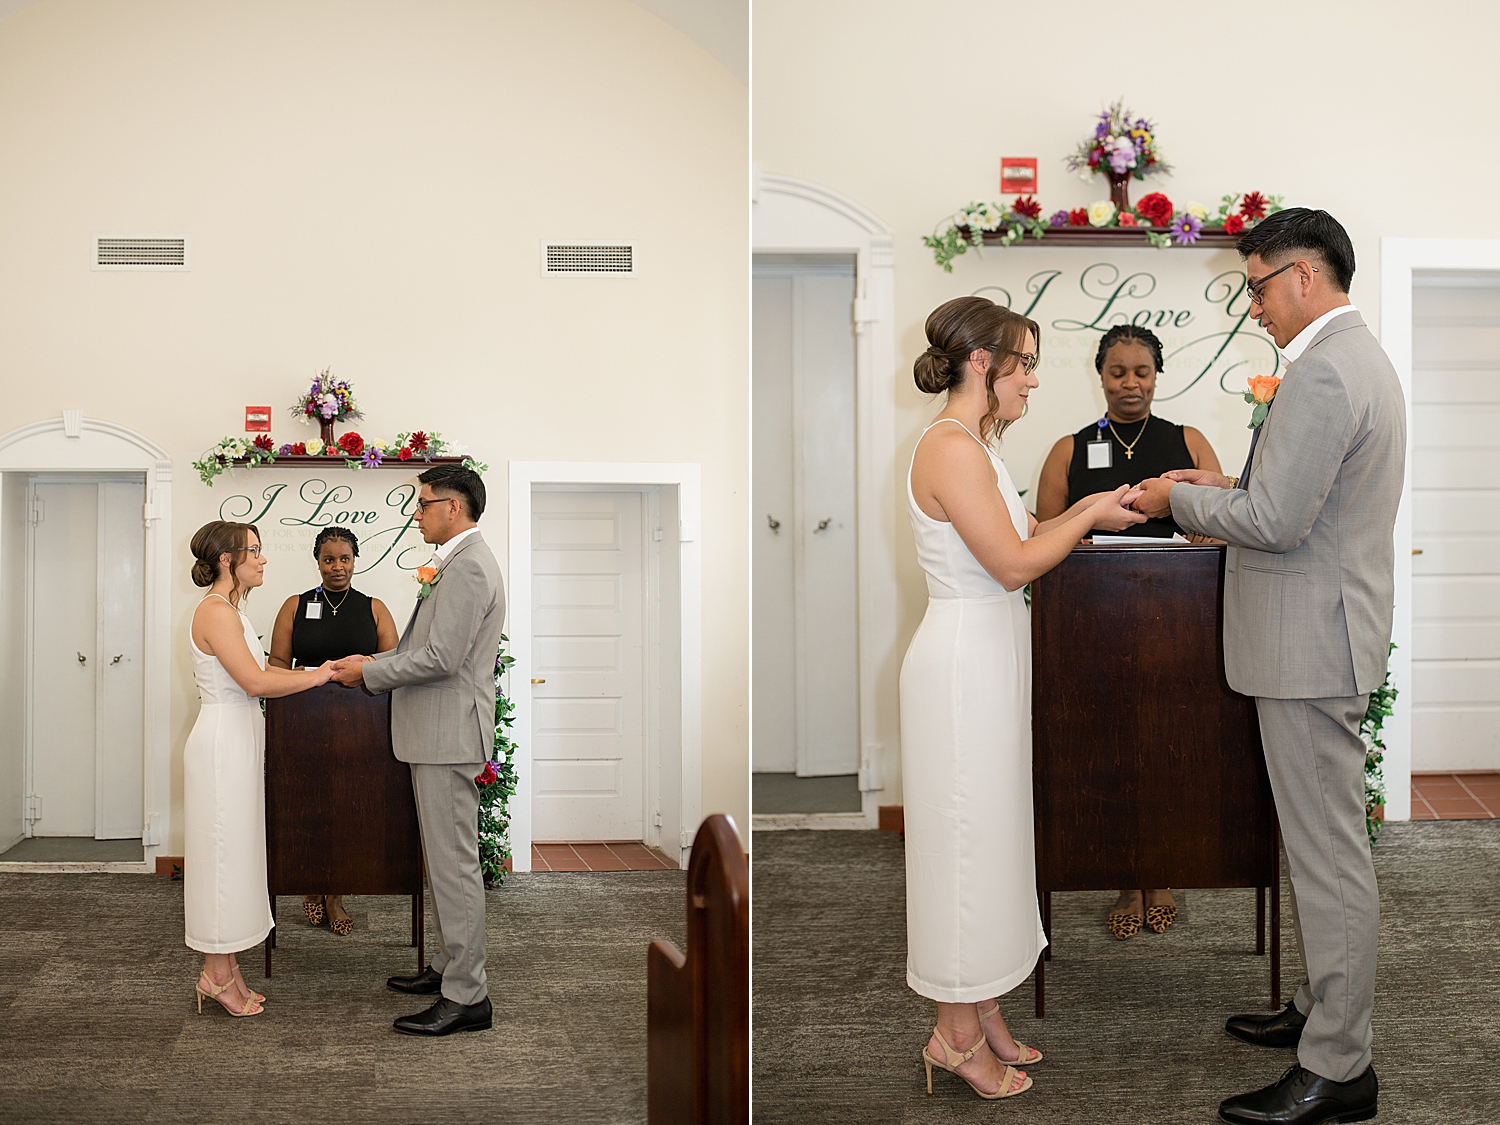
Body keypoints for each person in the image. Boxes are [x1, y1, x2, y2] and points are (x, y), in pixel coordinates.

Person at [1130, 209, 1402, 1125]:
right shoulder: (1351, 358)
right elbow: (1296, 506)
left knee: (1328, 855)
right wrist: (1221, 492)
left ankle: (1339, 1066)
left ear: (1303, 276)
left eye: (1255, 287)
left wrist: (1179, 500)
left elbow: (1281, 525)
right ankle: (1326, 1012)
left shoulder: (1324, 369)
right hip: (1316, 634)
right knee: (1319, 845)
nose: (1253, 308)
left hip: (1309, 643)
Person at [901, 296, 1146, 1100]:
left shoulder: (975, 445)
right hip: (964, 662)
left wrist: (1090, 508)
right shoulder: (950, 447)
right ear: (985, 363)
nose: (1035, 381)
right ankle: (954, 1034)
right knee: (964, 846)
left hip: (990, 655)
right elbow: (1012, 563)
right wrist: (1084, 520)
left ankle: (986, 1004)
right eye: (1027, 363)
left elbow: (1029, 528)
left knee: (995, 836)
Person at [1036, 324, 1224, 940]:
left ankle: (1162, 873)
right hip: (1094, 622)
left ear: (1156, 374)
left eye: (1141, 371)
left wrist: (1202, 531)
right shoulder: (1070, 447)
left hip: (1179, 623)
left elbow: (1224, 522)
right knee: (1109, 747)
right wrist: (1077, 530)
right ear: (1100, 375)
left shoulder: (1186, 440)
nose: (1130, 383)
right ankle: (1124, 876)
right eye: (1118, 371)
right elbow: (1043, 528)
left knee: (1172, 745)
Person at [331, 464, 505, 1036]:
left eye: (423, 503)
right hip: (437, 732)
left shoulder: (470, 566)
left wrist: (370, 670)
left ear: (452, 508)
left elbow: (441, 658)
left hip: (447, 734)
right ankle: (451, 966)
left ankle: (467, 995)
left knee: (454, 867)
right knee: (443, 861)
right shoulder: (457, 563)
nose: (416, 512)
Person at [185, 520, 333, 1016]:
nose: (264, 559)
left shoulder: (230, 611)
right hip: (223, 742)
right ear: (228, 560)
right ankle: (216, 974)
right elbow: (254, 682)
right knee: (223, 856)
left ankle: (225, 969)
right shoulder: (215, 612)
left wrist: (323, 671)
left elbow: (268, 670)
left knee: (236, 852)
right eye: (256, 551)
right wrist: (318, 679)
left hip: (239, 738)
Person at [268, 526, 399, 936]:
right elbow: (275, 665)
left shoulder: (374, 608)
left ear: (355, 560)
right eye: (329, 559)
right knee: (308, 806)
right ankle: (311, 881)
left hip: (364, 729)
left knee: (349, 809)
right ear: (318, 562)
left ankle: (335, 896)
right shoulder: (295, 605)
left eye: (344, 558)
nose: (337, 567)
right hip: (303, 725)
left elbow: (394, 665)